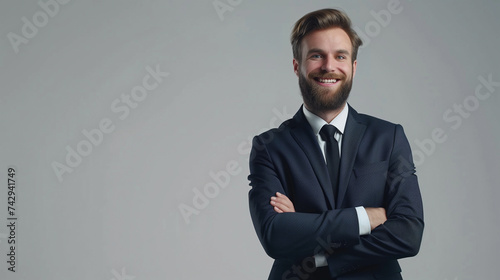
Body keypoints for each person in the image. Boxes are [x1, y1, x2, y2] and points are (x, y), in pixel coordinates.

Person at [247, 8, 424, 280]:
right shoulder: (270, 147)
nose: (329, 66)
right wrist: (364, 218)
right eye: (316, 55)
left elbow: (409, 233)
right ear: (297, 66)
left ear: (353, 67)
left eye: (340, 56)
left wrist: (316, 251)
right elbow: (276, 235)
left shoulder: (389, 138)